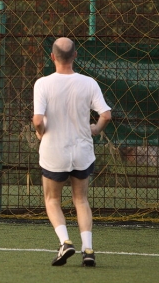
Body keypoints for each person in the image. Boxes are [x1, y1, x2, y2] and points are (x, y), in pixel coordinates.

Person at [33, 37, 111, 267]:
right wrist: (96, 128)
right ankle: (88, 249)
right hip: (82, 151)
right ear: (75, 56)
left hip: (54, 151)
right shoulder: (89, 83)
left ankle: (65, 242)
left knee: (52, 199)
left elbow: (38, 120)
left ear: (52, 57)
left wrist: (41, 131)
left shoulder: (43, 83)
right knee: (81, 199)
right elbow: (106, 115)